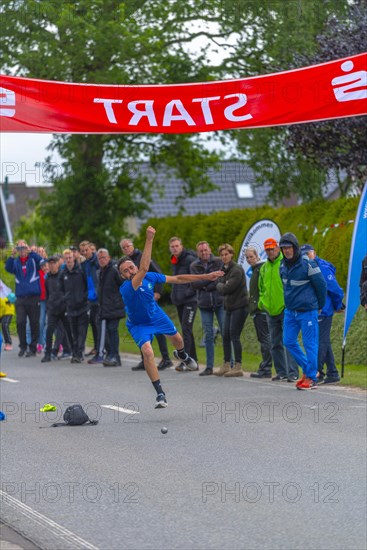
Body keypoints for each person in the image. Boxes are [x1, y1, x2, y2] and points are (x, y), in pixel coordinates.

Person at [118, 226, 223, 408]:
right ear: (123, 275)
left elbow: (178, 279)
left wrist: (206, 276)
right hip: (138, 324)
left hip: (156, 314)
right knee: (148, 352)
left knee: (178, 339)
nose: (130, 271)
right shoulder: (127, 287)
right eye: (126, 271)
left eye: (131, 267)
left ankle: (181, 354)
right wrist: (149, 239)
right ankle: (160, 393)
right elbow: (143, 267)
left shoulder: (150, 276)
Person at [279, 233, 327, 390]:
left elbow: (321, 286)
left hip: (308, 311)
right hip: (290, 312)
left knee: (310, 344)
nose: (286, 251)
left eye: (289, 247)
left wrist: (319, 305)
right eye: (283, 248)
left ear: (295, 247)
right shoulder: (282, 265)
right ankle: (310, 370)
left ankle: (311, 378)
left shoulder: (308, 264)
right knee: (288, 341)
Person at [120, 237, 173, 371]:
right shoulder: (123, 265)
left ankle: (166, 358)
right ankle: (145, 359)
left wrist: (158, 293)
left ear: (133, 246)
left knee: (158, 328)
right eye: (124, 247)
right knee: (141, 330)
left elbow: (157, 274)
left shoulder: (143, 257)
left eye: (128, 246)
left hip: (150, 297)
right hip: (137, 301)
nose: (127, 249)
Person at [301, 244, 344, 384]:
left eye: (308, 253)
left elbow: (336, 290)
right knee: (323, 340)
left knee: (320, 341)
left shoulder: (323, 269)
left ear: (314, 253)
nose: (306, 257)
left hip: (323, 310)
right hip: (314, 309)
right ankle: (332, 373)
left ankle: (316, 373)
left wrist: (338, 305)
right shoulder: (306, 268)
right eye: (304, 254)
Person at [258, 238, 299, 382]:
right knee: (275, 343)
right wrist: (262, 302)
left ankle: (293, 372)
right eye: (267, 249)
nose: (270, 252)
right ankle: (281, 372)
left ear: (277, 248)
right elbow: (261, 287)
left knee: (288, 341)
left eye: (272, 249)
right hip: (270, 310)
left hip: (285, 308)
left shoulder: (285, 263)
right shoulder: (264, 267)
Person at [215, 243, 249, 377]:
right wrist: (221, 283)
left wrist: (219, 284)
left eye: (226, 254)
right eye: (222, 255)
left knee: (234, 335)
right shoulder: (224, 268)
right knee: (225, 335)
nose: (224, 256)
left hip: (240, 306)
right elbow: (220, 283)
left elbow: (226, 288)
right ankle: (226, 363)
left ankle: (238, 366)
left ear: (231, 254)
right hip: (229, 306)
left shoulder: (236, 269)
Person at [190, 241, 224, 376]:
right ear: (197, 252)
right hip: (204, 304)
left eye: (205, 250)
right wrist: (209, 280)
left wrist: (206, 283)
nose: (204, 252)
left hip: (220, 301)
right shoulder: (194, 265)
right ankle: (209, 366)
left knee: (226, 332)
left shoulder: (218, 262)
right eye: (201, 251)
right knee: (208, 335)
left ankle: (230, 363)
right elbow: (194, 283)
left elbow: (220, 279)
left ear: (210, 250)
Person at [5, 240, 42, 357]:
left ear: (27, 248)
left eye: (23, 248)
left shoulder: (33, 260)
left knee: (34, 323)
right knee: (20, 322)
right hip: (20, 298)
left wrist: (32, 252)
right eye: (19, 248)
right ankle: (23, 346)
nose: (22, 251)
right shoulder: (15, 263)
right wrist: (12, 255)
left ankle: (33, 348)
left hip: (33, 297)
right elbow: (7, 268)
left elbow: (42, 261)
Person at [169, 236, 198, 371]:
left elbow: (194, 279)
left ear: (181, 246)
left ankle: (185, 360)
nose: (174, 248)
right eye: (172, 246)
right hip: (179, 300)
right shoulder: (175, 260)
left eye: (177, 246)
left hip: (190, 300)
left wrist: (187, 293)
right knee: (186, 330)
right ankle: (194, 360)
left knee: (186, 329)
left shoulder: (189, 260)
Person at [245, 247, 273, 379]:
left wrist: (260, 305)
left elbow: (264, 288)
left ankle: (266, 368)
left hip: (261, 310)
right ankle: (266, 366)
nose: (249, 259)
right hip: (256, 310)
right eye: (247, 257)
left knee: (265, 339)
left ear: (257, 256)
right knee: (263, 339)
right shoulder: (255, 269)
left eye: (251, 256)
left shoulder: (261, 268)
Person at [59, 249, 89, 363]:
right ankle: (75, 352)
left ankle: (79, 352)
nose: (68, 260)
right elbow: (60, 289)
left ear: (74, 258)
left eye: (70, 258)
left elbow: (87, 286)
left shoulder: (81, 270)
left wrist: (84, 298)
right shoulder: (63, 273)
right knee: (73, 332)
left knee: (82, 331)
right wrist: (65, 299)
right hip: (70, 307)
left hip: (82, 306)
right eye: (66, 258)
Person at [41, 255, 73, 363]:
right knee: (49, 330)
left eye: (53, 263)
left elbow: (68, 291)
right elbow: (48, 293)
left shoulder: (63, 275)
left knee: (68, 330)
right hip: (52, 308)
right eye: (49, 264)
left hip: (63, 308)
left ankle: (74, 351)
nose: (51, 265)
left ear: (57, 264)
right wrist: (48, 305)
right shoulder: (47, 278)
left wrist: (66, 303)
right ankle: (48, 354)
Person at [96, 248, 125, 367]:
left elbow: (123, 284)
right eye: (99, 258)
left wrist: (118, 300)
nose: (102, 260)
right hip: (105, 307)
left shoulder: (114, 269)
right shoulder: (101, 271)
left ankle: (115, 356)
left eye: (104, 257)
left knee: (113, 331)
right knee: (107, 332)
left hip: (115, 307)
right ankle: (111, 354)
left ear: (108, 258)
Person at [81, 242, 100, 357]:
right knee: (93, 323)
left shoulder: (96, 261)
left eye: (86, 250)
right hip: (89, 298)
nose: (84, 252)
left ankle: (101, 349)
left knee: (98, 323)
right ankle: (97, 347)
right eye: (83, 251)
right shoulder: (84, 264)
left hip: (98, 297)